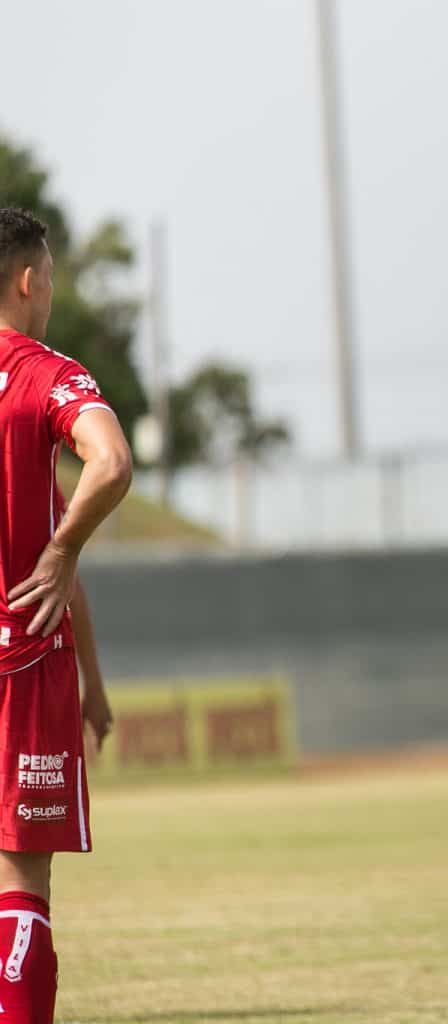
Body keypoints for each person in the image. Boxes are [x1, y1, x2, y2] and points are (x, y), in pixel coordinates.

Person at [0, 207, 134, 1021]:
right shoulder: (45, 375)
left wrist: (95, 684)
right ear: (28, 280)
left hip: (41, 662)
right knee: (23, 880)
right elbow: (111, 462)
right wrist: (58, 553)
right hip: (19, 660)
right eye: (49, 276)